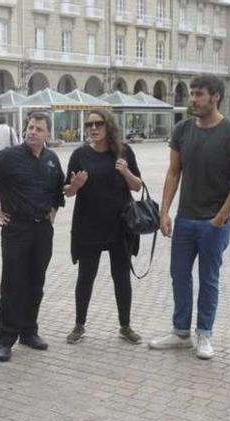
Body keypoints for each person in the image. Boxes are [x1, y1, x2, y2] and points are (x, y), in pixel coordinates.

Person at [148, 74, 230, 360]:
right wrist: (164, 211)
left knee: (209, 279)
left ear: (215, 96)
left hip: (213, 222)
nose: (193, 99)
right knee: (179, 276)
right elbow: (173, 172)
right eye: (192, 93)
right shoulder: (182, 130)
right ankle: (181, 333)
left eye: (199, 94)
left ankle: (204, 333)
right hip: (185, 219)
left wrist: (221, 217)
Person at [0, 112, 65, 362]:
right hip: (16, 229)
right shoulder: (9, 157)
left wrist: (52, 211)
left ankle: (29, 331)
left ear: (47, 134)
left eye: (39, 129)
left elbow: (57, 191)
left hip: (42, 231)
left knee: (35, 283)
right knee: (13, 284)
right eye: (30, 127)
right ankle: (6, 339)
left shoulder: (51, 159)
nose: (32, 132)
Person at [64, 108, 143, 345]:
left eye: (99, 124)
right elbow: (67, 192)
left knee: (121, 277)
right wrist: (75, 186)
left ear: (109, 126)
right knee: (86, 276)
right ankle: (79, 324)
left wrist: (126, 172)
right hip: (89, 226)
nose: (94, 128)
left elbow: (138, 186)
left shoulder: (124, 151)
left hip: (120, 225)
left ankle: (125, 326)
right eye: (90, 125)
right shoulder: (79, 155)